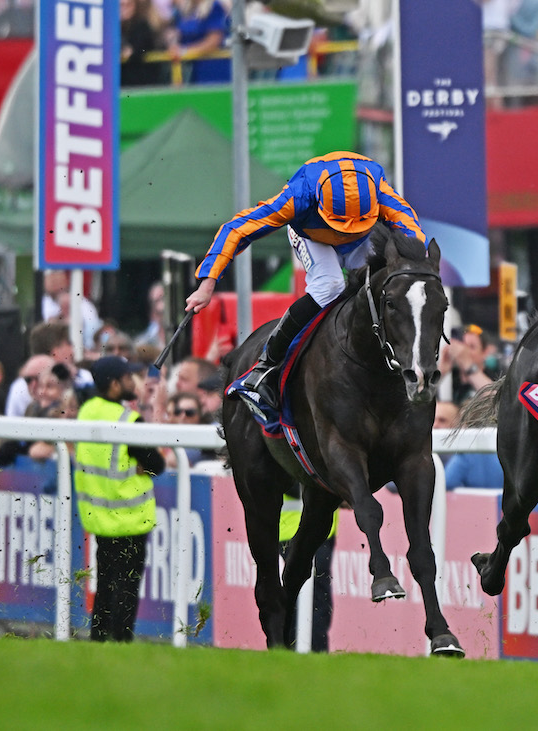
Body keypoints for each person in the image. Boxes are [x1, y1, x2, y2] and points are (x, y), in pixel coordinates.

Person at [185, 151, 426, 412]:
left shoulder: (378, 187)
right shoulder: (299, 195)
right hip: (313, 238)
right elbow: (239, 228)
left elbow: (412, 233)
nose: (343, 234)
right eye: (339, 224)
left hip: (365, 237)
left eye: (351, 225)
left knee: (377, 288)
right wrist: (207, 283)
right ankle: (267, 366)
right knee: (331, 285)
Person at [75, 356, 166, 642]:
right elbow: (158, 464)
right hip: (129, 518)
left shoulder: (87, 410)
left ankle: (99, 639)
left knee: (105, 585)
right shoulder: (128, 419)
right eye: (128, 378)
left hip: (99, 517)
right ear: (115, 384)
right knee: (126, 587)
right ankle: (121, 641)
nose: (133, 383)